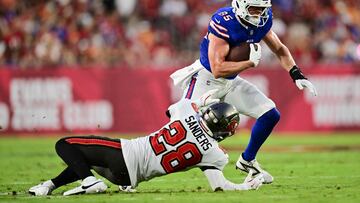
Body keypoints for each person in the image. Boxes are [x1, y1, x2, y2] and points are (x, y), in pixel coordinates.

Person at [170, 0, 318, 184]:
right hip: (206, 79)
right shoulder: (224, 20)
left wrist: (296, 73)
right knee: (180, 133)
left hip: (230, 81)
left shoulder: (263, 20)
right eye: (254, 9)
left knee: (270, 114)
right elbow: (217, 68)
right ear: (240, 5)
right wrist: (249, 63)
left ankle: (247, 161)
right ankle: (134, 169)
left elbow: (279, 48)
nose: (258, 14)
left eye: (262, 10)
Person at [28, 90, 264, 196]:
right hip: (127, 178)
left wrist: (204, 99)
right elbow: (220, 187)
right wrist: (246, 186)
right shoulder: (216, 154)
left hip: (124, 154)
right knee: (86, 158)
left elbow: (175, 108)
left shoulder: (185, 111)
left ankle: (89, 181)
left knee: (64, 144)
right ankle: (49, 185)